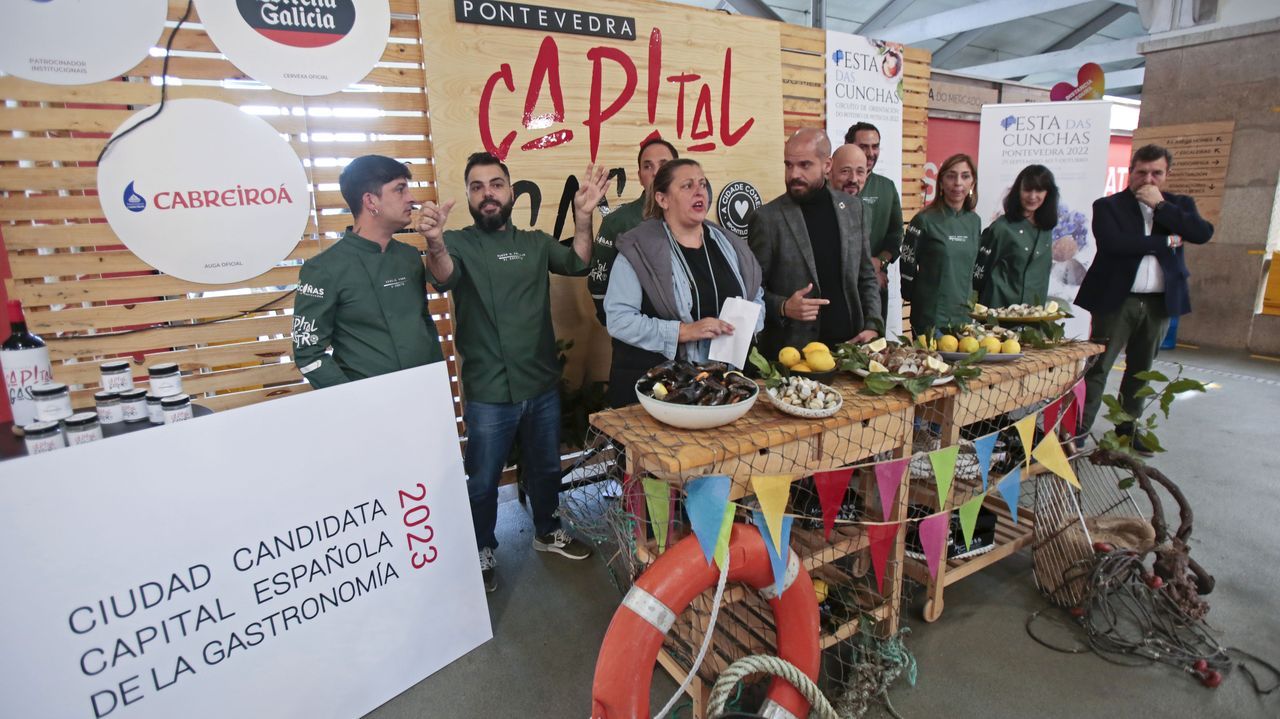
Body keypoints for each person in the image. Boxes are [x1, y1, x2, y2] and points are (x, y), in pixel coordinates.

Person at [417, 152, 608, 593]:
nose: (488, 194)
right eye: (478, 186)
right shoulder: (459, 243)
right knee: (482, 480)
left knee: (545, 469)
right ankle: (482, 546)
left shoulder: (536, 242)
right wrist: (436, 242)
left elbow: (578, 261)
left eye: (496, 184)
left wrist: (583, 216)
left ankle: (547, 531)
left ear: (510, 191)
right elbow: (442, 276)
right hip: (488, 390)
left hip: (540, 382)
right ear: (468, 196)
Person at [1076, 144, 1214, 454]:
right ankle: (1078, 431)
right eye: (1142, 172)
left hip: (1158, 304)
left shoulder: (1179, 206)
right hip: (1116, 301)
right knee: (1098, 368)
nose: (1148, 179)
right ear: (1130, 172)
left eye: (1156, 173)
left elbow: (1203, 232)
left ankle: (1127, 431)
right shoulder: (1109, 205)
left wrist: (1162, 208)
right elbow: (1115, 244)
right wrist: (1168, 240)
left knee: (1141, 370)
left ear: (1167, 175)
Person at [603, 159, 765, 408]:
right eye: (687, 186)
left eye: (702, 184)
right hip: (662, 394)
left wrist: (745, 323)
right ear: (662, 199)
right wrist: (683, 332)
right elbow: (619, 320)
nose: (700, 191)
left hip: (722, 389)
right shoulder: (639, 250)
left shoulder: (730, 244)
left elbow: (756, 296)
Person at [291, 155, 444, 388]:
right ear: (371, 201)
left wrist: (438, 383)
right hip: (369, 409)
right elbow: (308, 352)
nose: (411, 199)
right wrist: (354, 398)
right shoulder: (322, 269)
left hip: (424, 395)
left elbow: (424, 325)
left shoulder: (409, 257)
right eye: (400, 190)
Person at [747, 128, 881, 359]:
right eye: (789, 165)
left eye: (804, 165)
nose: (794, 174)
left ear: (827, 165)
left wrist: (873, 325)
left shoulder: (853, 209)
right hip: (794, 356)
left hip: (850, 350)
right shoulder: (768, 219)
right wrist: (783, 306)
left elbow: (866, 275)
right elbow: (751, 291)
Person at [589, 137, 678, 326]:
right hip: (636, 340)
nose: (656, 173)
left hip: (689, 336)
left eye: (664, 165)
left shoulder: (694, 221)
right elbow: (599, 284)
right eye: (648, 167)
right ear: (639, 176)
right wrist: (622, 326)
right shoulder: (617, 222)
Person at [901, 153, 981, 336]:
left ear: (973, 183)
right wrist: (918, 299)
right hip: (931, 319)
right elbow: (907, 264)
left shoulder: (974, 221)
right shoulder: (924, 220)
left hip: (964, 319)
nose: (958, 183)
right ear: (941, 182)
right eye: (951, 176)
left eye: (965, 176)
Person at [975, 164, 1059, 308]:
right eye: (1027, 189)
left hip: (1033, 315)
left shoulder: (1046, 230)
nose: (1032, 196)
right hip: (998, 314)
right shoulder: (1001, 228)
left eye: (1039, 190)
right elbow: (979, 274)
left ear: (1048, 193)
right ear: (1017, 191)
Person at [845, 122, 904, 321]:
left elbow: (895, 236)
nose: (870, 153)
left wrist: (880, 262)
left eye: (875, 146)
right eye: (863, 146)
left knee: (875, 346)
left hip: (877, 287)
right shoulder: (832, 185)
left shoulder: (886, 187)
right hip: (842, 287)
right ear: (848, 146)